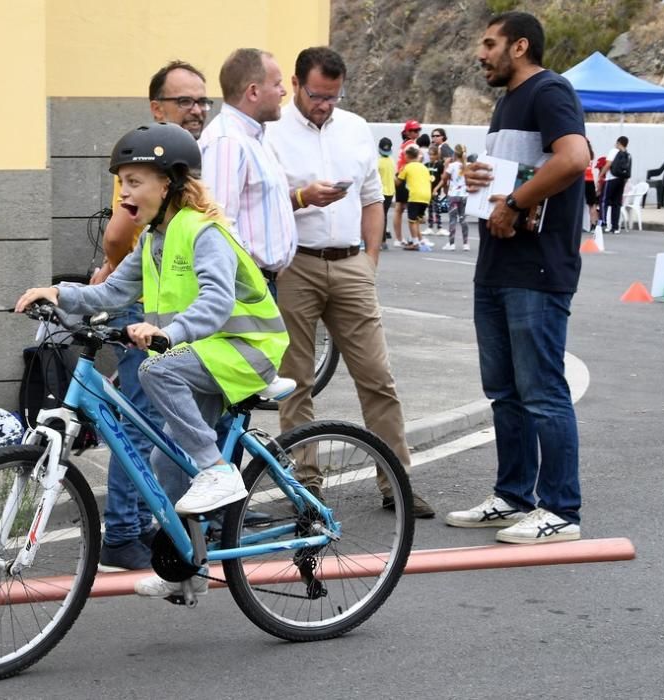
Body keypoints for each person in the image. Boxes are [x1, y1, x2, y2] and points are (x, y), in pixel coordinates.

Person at [15, 122, 290, 597]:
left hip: (247, 350)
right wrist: (56, 293)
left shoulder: (204, 231)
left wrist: (166, 332)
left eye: (135, 181)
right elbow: (112, 291)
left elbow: (217, 301)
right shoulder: (154, 239)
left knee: (155, 370)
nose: (125, 192)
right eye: (121, 181)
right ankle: (187, 575)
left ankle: (219, 472)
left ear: (171, 183)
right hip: (203, 353)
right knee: (168, 461)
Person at [266, 46, 435, 519]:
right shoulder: (271, 132)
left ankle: (396, 481)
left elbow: (372, 198)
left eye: (334, 97)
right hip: (294, 263)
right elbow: (259, 202)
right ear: (297, 84)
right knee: (295, 381)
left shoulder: (356, 128)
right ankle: (305, 483)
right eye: (318, 95)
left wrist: (371, 258)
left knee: (377, 377)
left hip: (350, 264)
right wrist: (302, 196)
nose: (325, 105)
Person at [446, 11, 589, 543]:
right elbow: (514, 172)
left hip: (537, 268)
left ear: (520, 46)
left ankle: (560, 510)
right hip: (496, 267)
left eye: (489, 44)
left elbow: (573, 159)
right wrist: (478, 176)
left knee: (542, 391)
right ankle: (512, 496)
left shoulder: (551, 91)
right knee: (504, 391)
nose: (481, 54)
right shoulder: (507, 102)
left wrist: (515, 200)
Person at [86, 60, 212, 573]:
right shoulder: (148, 168)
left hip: (181, 314)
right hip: (151, 311)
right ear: (158, 108)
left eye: (203, 100)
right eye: (185, 101)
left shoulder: (181, 168)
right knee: (138, 421)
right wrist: (121, 279)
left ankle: (164, 519)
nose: (197, 109)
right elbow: (118, 236)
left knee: (158, 420)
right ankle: (124, 530)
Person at [198, 48, 296, 285]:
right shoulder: (227, 142)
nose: (284, 92)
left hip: (260, 282)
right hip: (244, 287)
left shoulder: (254, 138)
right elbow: (218, 224)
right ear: (253, 91)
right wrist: (251, 279)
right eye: (277, 84)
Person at [392, 119, 421, 248]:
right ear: (407, 132)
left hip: (401, 176)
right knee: (409, 208)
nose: (417, 132)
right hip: (407, 177)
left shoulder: (405, 144)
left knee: (400, 208)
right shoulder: (412, 146)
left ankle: (400, 238)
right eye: (414, 130)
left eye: (418, 130)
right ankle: (414, 238)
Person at [398, 145, 431, 251]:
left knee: (411, 220)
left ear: (407, 156)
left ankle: (415, 242)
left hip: (415, 195)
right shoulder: (424, 167)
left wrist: (391, 177)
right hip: (426, 196)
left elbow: (398, 181)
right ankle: (419, 240)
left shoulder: (407, 167)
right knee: (416, 219)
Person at [440, 143, 470, 251]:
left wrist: (445, 166)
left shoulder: (452, 166)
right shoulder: (467, 165)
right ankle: (465, 244)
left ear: (455, 154)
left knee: (452, 219)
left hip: (453, 195)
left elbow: (444, 178)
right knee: (463, 219)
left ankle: (451, 243)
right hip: (464, 195)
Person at [598, 135, 631, 234]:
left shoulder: (614, 151)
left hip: (611, 179)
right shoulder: (627, 155)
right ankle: (615, 227)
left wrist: (601, 175)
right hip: (621, 180)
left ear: (618, 143)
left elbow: (608, 164)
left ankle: (602, 222)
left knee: (604, 201)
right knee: (616, 203)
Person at [377, 137, 396, 249]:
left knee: (378, 217)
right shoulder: (392, 161)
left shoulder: (378, 162)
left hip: (380, 192)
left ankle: (379, 240)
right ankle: (383, 240)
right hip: (390, 192)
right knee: (384, 216)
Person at [425, 143, 446, 235]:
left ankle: (439, 227)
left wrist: (436, 188)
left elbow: (443, 179)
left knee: (437, 208)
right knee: (429, 208)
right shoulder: (426, 165)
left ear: (437, 155)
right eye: (429, 154)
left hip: (435, 190)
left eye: (433, 154)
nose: (431, 156)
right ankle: (430, 227)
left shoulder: (440, 165)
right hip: (427, 189)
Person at [584, 138, 599, 232]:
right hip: (590, 180)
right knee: (592, 204)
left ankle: (585, 224)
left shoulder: (583, 152)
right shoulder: (591, 154)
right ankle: (593, 224)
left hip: (582, 180)